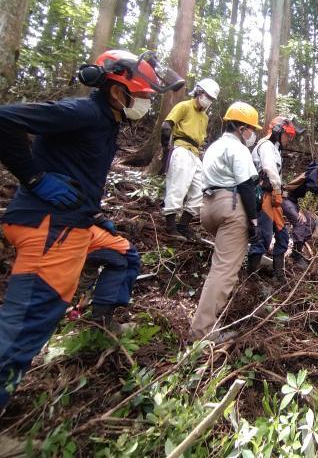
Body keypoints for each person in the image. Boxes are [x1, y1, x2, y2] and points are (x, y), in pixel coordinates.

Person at [0, 49, 183, 410]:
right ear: (118, 91)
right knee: (25, 327)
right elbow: (5, 119)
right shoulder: (83, 111)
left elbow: (75, 168)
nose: (146, 103)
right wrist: (34, 178)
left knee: (123, 254)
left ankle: (102, 320)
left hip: (77, 222)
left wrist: (93, 213)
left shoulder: (107, 120)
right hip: (49, 228)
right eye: (143, 95)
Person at [189, 102, 261, 343]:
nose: (252, 133)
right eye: (250, 128)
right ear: (241, 128)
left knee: (220, 265)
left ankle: (208, 319)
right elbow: (246, 186)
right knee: (223, 271)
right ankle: (202, 333)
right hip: (231, 206)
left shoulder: (214, 147)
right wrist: (253, 220)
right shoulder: (238, 149)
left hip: (208, 206)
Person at [161, 77, 220, 240]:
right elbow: (167, 126)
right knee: (178, 187)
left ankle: (183, 226)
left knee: (200, 190)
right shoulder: (184, 106)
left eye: (211, 99)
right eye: (207, 96)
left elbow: (200, 138)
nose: (208, 101)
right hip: (181, 149)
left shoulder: (205, 117)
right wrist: (165, 149)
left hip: (195, 153)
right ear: (199, 92)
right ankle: (170, 227)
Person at [247, 116, 304, 281]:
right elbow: (269, 169)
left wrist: (279, 191)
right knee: (263, 237)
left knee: (283, 236)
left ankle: (278, 274)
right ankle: (250, 277)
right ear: (278, 131)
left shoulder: (275, 148)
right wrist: (278, 190)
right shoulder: (266, 146)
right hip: (264, 196)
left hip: (273, 197)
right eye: (288, 135)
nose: (290, 139)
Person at [282, 149, 318, 268]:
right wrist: (302, 211)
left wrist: (311, 212)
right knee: (302, 222)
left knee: (312, 223)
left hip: (298, 203)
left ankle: (298, 250)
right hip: (289, 199)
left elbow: (315, 197)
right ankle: (296, 255)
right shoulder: (315, 172)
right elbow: (308, 193)